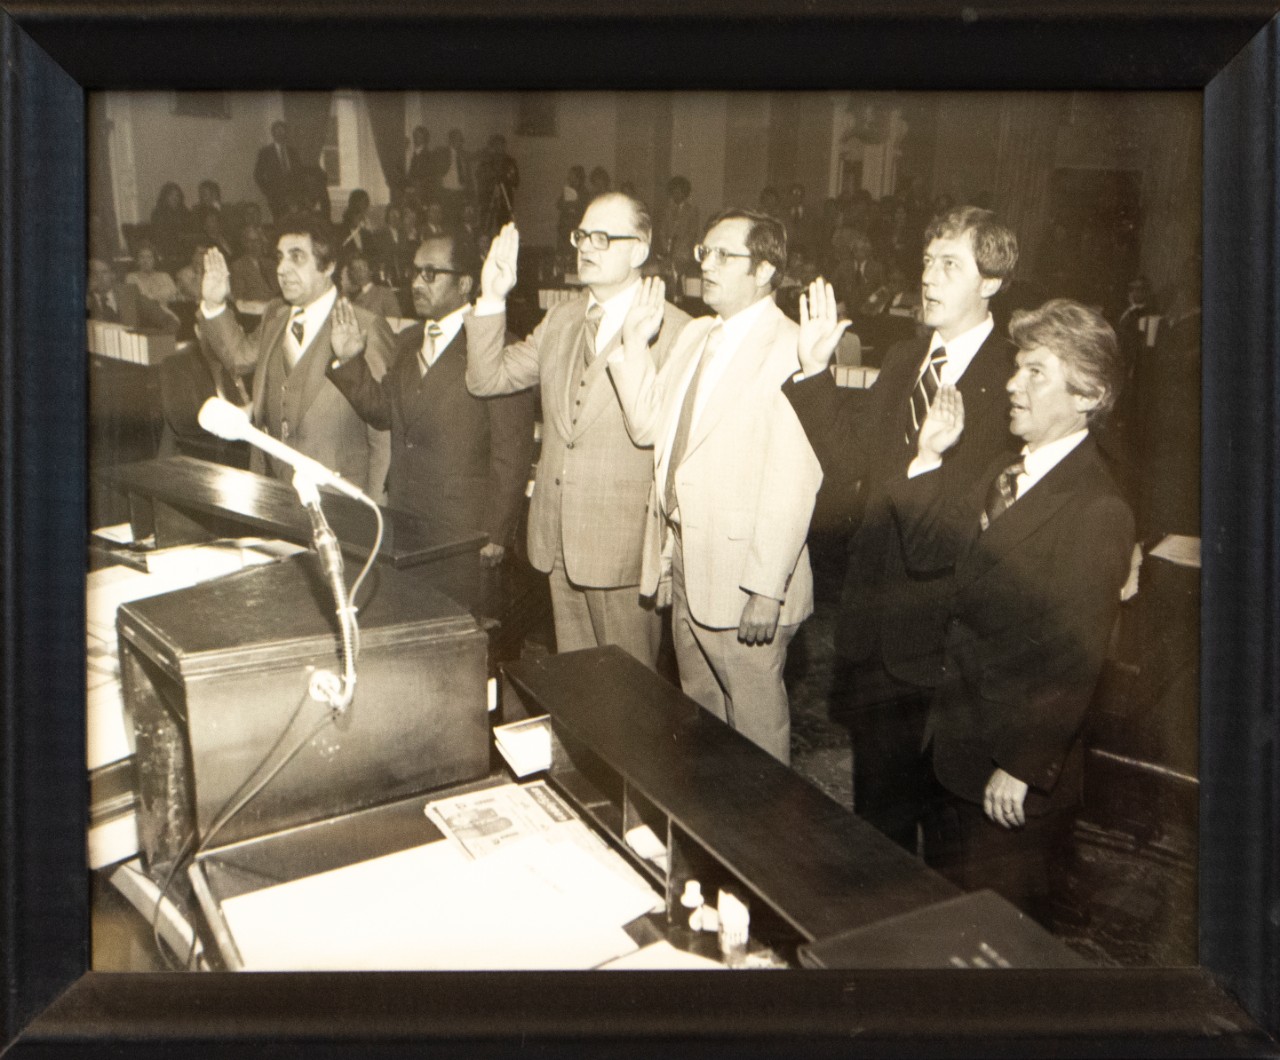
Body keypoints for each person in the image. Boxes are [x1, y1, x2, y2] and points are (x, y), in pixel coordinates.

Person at [888, 298, 1135, 920]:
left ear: (1088, 395)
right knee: (943, 915)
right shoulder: (1005, 471)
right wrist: (930, 457)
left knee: (995, 938)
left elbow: (1077, 658)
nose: (1011, 384)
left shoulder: (1097, 509)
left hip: (1009, 775)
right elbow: (926, 551)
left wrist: (1022, 766)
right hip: (954, 747)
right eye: (1017, 367)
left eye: (1035, 372)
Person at [786, 206, 1020, 850]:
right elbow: (850, 465)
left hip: (948, 643)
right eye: (926, 262)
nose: (929, 277)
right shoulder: (904, 357)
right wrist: (815, 371)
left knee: (947, 840)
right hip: (875, 632)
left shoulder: (1014, 377)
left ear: (992, 281)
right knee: (876, 825)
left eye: (950, 265)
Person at [606, 210, 822, 763]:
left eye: (725, 255)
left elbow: (795, 478)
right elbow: (647, 426)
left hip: (747, 576)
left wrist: (766, 589)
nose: (707, 265)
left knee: (755, 733)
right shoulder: (697, 334)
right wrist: (634, 344)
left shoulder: (793, 346)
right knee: (700, 719)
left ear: (765, 270)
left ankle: (761, 822)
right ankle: (710, 817)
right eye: (705, 252)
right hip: (686, 560)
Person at [465, 194, 691, 666]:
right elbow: (487, 378)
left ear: (640, 249)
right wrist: (492, 297)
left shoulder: (677, 331)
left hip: (625, 551)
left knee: (628, 690)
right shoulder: (562, 320)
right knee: (575, 687)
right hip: (556, 542)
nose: (586, 246)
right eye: (582, 235)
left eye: (603, 238)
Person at [327, 232, 535, 563]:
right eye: (414, 272)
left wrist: (496, 532)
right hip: (403, 515)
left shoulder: (499, 348)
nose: (416, 283)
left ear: (464, 283)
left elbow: (512, 451)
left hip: (464, 528)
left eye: (430, 273)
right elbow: (384, 412)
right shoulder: (407, 341)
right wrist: (350, 360)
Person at [197, 214, 393, 496]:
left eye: (296, 257)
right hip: (274, 491)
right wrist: (214, 303)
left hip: (339, 497)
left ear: (328, 266)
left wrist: (373, 507)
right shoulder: (275, 316)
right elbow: (239, 357)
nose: (282, 269)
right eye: (280, 258)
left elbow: (383, 434)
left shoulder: (365, 326)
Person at [88, 258, 179, 333]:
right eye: (93, 273)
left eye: (104, 272)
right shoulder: (87, 300)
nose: (98, 277)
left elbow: (167, 320)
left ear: (113, 275)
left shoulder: (129, 294)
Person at [255, 120, 301, 221]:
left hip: (293, 196)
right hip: (276, 196)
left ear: (286, 133)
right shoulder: (265, 152)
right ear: (273, 134)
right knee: (280, 222)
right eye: (277, 132)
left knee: (294, 222)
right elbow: (258, 175)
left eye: (282, 131)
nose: (280, 134)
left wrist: (298, 192)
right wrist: (268, 192)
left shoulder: (292, 152)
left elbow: (299, 173)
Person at [476, 134, 519, 237]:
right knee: (486, 222)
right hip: (488, 196)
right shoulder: (486, 161)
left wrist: (507, 176)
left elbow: (516, 181)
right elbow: (479, 175)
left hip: (504, 197)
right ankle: (484, 242)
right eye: (496, 145)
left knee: (504, 224)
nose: (499, 148)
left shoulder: (510, 161)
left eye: (501, 145)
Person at [657, 176, 699, 279]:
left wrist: (679, 247)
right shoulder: (667, 210)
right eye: (674, 192)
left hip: (684, 252)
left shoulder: (692, 211)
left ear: (684, 193)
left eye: (678, 191)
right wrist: (666, 246)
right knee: (668, 276)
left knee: (681, 277)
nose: (676, 194)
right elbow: (662, 230)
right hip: (668, 251)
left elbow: (692, 232)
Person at [342, 254, 402, 321]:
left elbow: (396, 322)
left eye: (362, 268)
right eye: (354, 269)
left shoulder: (384, 293)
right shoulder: (348, 298)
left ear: (371, 271)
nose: (358, 272)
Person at [228, 225, 279, 303]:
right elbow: (239, 297)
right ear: (244, 243)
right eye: (249, 241)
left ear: (262, 242)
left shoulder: (272, 264)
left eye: (257, 240)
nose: (254, 245)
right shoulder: (237, 267)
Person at [148, 182, 192, 271]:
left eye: (177, 196)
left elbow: (190, 230)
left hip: (184, 249)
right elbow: (157, 234)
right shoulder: (158, 213)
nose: (175, 198)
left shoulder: (185, 212)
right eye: (171, 195)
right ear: (165, 197)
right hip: (166, 249)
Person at [434, 129, 472, 221]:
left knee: (459, 220)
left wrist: (468, 194)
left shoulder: (463, 155)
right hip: (447, 194)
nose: (459, 142)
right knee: (447, 219)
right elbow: (437, 172)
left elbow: (468, 176)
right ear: (451, 140)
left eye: (460, 139)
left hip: (460, 194)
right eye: (457, 138)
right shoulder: (443, 153)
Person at [405, 125, 435, 204]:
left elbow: (428, 176)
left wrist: (417, 185)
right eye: (414, 136)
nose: (415, 138)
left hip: (421, 191)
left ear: (424, 138)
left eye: (418, 136)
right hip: (409, 188)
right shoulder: (410, 152)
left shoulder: (428, 155)